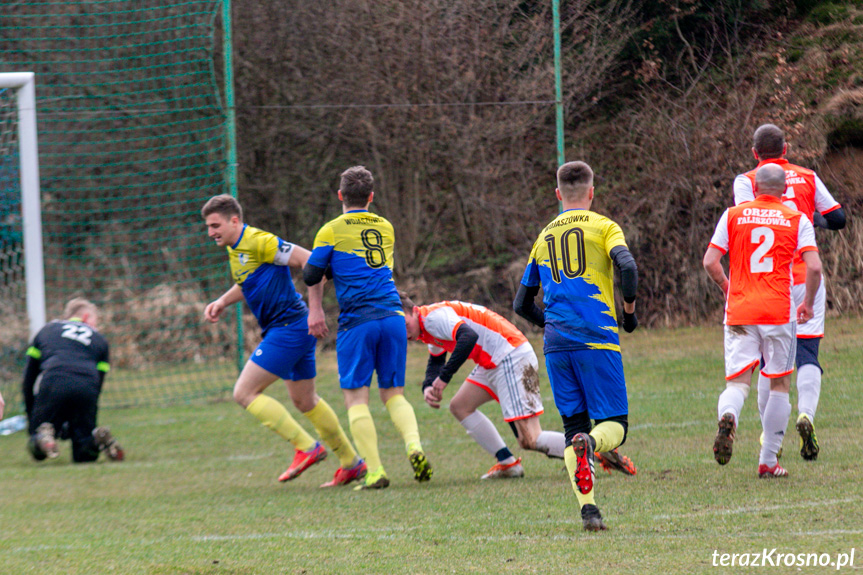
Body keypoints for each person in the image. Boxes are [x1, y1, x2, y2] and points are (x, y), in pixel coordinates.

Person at [202, 194, 366, 487]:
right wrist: (222, 301)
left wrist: (317, 309)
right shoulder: (235, 248)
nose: (211, 232)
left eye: (215, 225)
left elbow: (309, 261)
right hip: (291, 327)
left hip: (289, 327)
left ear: (234, 220)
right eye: (208, 226)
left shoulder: (259, 241)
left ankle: (307, 447)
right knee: (305, 400)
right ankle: (351, 463)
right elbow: (248, 282)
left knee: (244, 392)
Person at [514, 161, 639, 532]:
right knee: (615, 425)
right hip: (596, 336)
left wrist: (550, 324)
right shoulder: (604, 226)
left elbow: (521, 304)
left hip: (556, 344)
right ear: (591, 192)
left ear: (557, 195)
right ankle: (593, 443)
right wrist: (628, 313)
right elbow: (627, 267)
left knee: (571, 427)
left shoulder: (543, 236)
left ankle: (590, 511)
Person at [402, 294, 636, 480]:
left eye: (404, 324)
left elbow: (467, 337)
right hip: (493, 361)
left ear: (413, 311)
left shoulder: (432, 317)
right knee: (460, 406)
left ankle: (592, 451)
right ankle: (508, 464)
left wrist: (443, 379)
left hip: (510, 357)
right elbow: (436, 358)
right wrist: (427, 385)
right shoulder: (425, 327)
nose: (404, 332)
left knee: (530, 439)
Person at [304, 166, 432, 490]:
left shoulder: (331, 230)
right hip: (392, 315)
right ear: (371, 197)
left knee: (356, 399)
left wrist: (326, 265)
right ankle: (414, 445)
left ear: (340, 196)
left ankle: (375, 471)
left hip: (358, 321)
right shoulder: (386, 227)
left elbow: (310, 275)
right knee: (393, 394)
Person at [733, 123, 846, 461]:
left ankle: (772, 438)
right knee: (808, 354)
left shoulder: (746, 181)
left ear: (755, 153)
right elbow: (838, 217)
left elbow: (745, 220)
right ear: (786, 149)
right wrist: (810, 219)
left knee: (771, 361)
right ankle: (806, 415)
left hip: (769, 280)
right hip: (805, 276)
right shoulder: (807, 176)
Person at [705, 163, 822, 478]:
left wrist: (728, 288)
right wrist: (808, 304)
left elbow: (710, 261)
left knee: (738, 383)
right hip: (778, 311)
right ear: (784, 191)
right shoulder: (796, 219)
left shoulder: (733, 215)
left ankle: (729, 415)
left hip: (741, 310)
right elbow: (813, 268)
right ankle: (768, 461)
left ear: (755, 189)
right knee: (780, 384)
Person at [22, 298, 124, 463]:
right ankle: (96, 440)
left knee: (37, 445)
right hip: (87, 386)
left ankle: (44, 438)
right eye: (95, 321)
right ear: (85, 317)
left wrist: (32, 416)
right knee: (84, 454)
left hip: (54, 381)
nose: (96, 326)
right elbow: (98, 383)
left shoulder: (47, 330)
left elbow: (28, 379)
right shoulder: (100, 339)